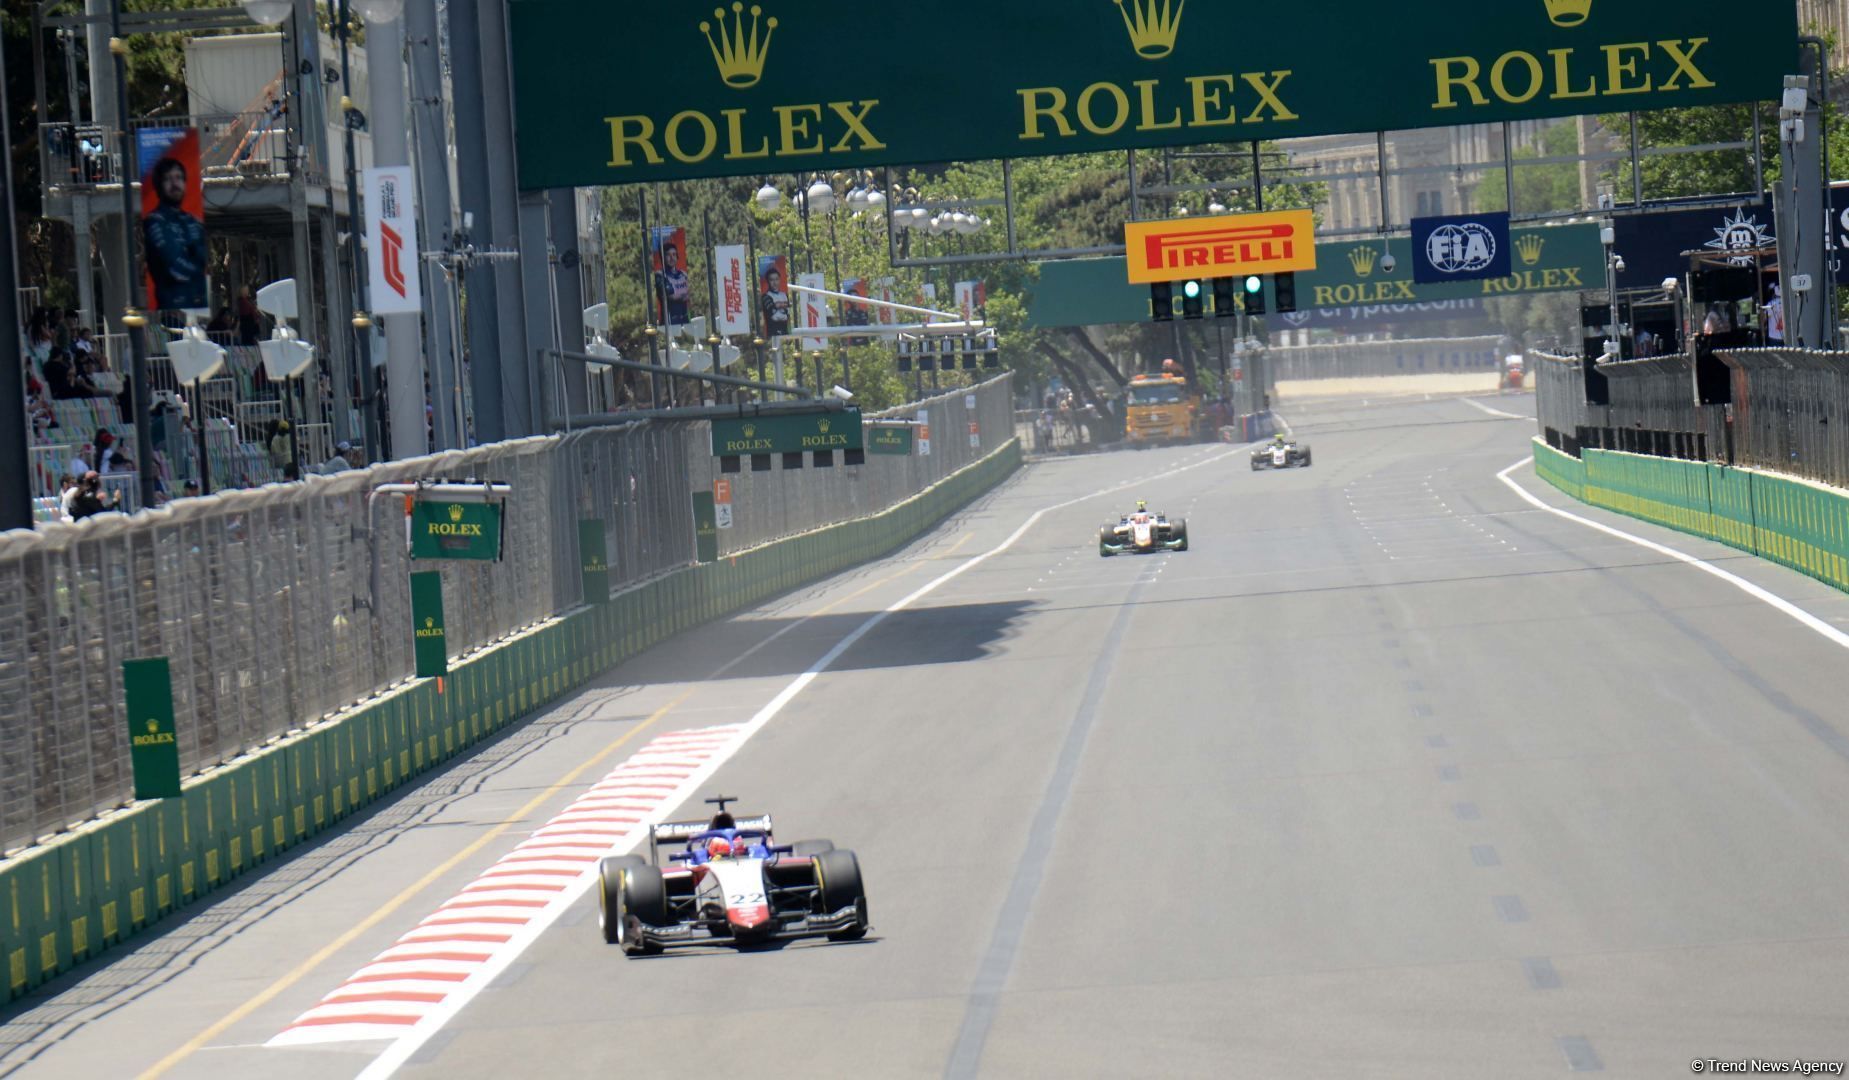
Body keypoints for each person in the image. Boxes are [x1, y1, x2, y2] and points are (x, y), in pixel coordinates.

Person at [143, 155, 207, 311]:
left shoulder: (194, 222)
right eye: (167, 179)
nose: (174, 183)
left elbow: (203, 258)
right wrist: (196, 269)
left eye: (178, 177)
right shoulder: (154, 221)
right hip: (171, 308)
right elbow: (174, 265)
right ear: (159, 185)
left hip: (198, 305)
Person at [654, 241, 691, 325]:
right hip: (670, 322)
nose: (672, 258)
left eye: (674, 254)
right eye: (668, 255)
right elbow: (671, 296)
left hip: (685, 320)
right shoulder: (660, 276)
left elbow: (691, 293)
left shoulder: (683, 274)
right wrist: (684, 295)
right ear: (663, 257)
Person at [759, 266, 790, 340]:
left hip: (785, 328)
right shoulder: (766, 296)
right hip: (773, 329)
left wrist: (778, 306)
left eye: (776, 279)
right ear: (768, 281)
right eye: (772, 280)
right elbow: (772, 311)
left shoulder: (784, 295)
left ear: (779, 280)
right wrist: (782, 306)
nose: (775, 283)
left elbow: (788, 311)